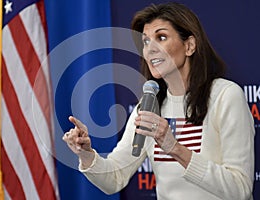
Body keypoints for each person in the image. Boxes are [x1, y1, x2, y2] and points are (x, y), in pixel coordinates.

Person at [62, 2, 255, 200]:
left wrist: (175, 148)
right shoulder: (147, 107)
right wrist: (86, 154)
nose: (150, 49)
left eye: (161, 37)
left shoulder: (225, 95)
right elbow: (114, 177)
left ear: (189, 45)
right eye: (145, 42)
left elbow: (240, 189)